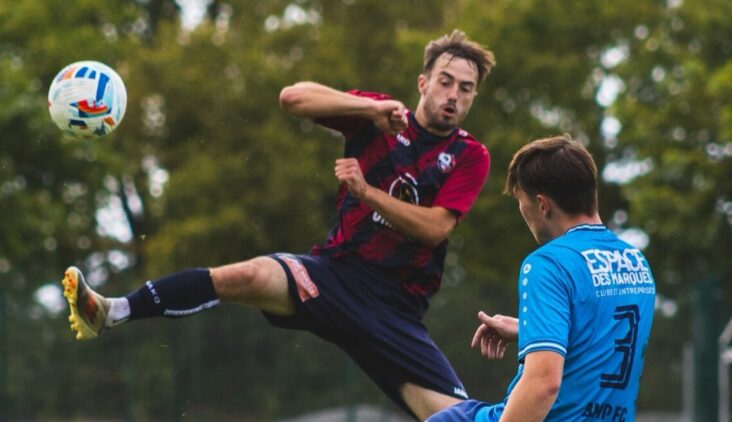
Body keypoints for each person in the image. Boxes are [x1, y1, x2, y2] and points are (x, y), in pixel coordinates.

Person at [61, 29, 495, 420]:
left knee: (456, 418)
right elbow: (292, 98)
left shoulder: (469, 156)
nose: (453, 94)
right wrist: (368, 107)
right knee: (247, 274)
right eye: (445, 81)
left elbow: (436, 229)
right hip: (332, 276)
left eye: (466, 88)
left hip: (396, 310)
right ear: (423, 83)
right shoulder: (376, 114)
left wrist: (366, 193)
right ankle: (112, 312)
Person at [429, 135, 656, 422]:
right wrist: (530, 329)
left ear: (542, 205)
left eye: (521, 201)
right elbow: (599, 343)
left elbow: (544, 385)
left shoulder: (549, 263)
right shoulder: (636, 262)